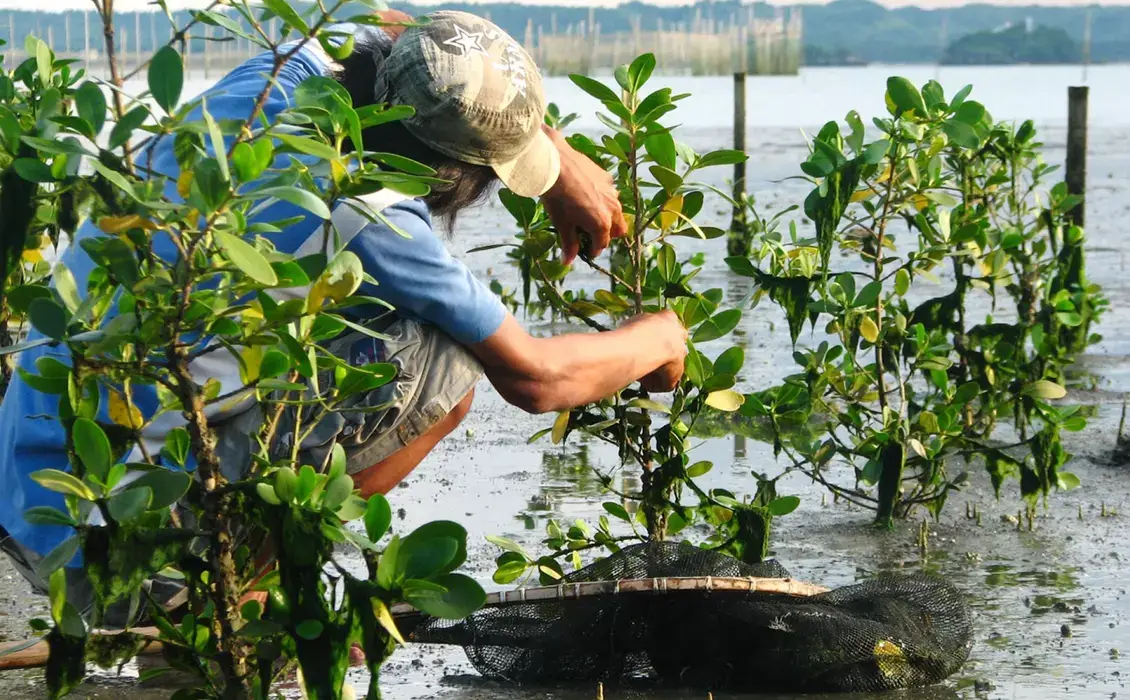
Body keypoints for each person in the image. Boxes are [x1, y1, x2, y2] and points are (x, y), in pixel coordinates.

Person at [0, 10, 687, 621]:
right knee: (444, 363)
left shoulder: (289, 69)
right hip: (102, 557)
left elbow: (393, 24)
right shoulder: (371, 212)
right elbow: (537, 380)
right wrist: (657, 336)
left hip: (30, 494)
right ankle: (218, 595)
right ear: (451, 174)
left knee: (338, 330)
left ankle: (222, 575)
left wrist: (555, 155)